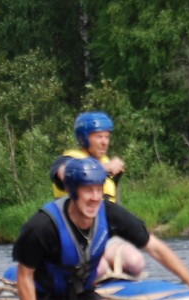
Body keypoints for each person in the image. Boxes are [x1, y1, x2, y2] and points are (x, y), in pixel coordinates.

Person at [14, 156, 189, 300]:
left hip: (81, 294)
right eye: (87, 190)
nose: (95, 197)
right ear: (72, 190)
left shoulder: (110, 214)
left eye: (98, 189)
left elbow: (155, 248)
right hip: (45, 298)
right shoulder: (42, 226)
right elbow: (24, 276)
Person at [49, 111, 145, 278]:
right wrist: (105, 168)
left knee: (136, 262)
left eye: (107, 137)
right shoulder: (67, 160)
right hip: (73, 238)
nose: (104, 142)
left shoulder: (107, 165)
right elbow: (65, 174)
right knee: (98, 268)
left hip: (103, 238)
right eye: (99, 137)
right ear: (84, 138)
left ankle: (116, 280)